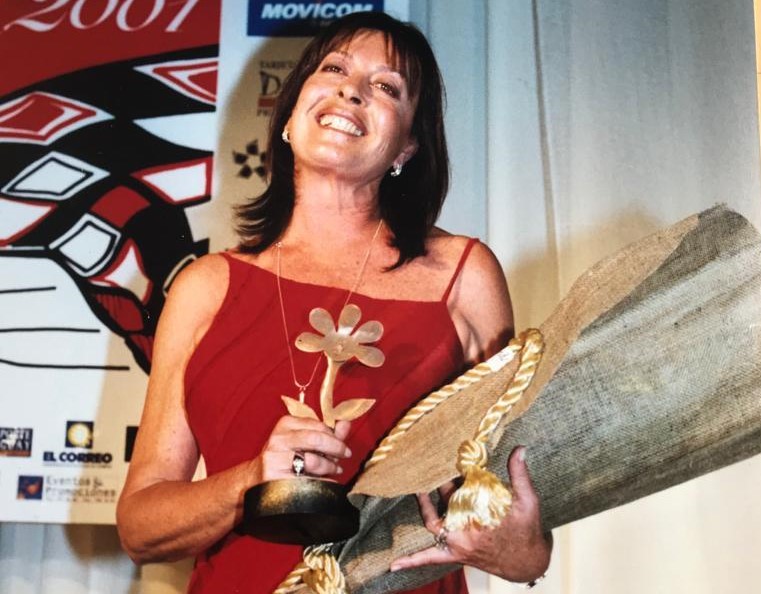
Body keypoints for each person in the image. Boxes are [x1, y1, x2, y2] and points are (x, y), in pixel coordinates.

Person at [116, 11, 552, 594]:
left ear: (407, 146)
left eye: (386, 87)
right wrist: (252, 481)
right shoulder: (205, 287)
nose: (352, 90)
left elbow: (515, 496)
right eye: (334, 69)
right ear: (290, 116)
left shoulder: (464, 276)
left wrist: (524, 553)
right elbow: (140, 528)